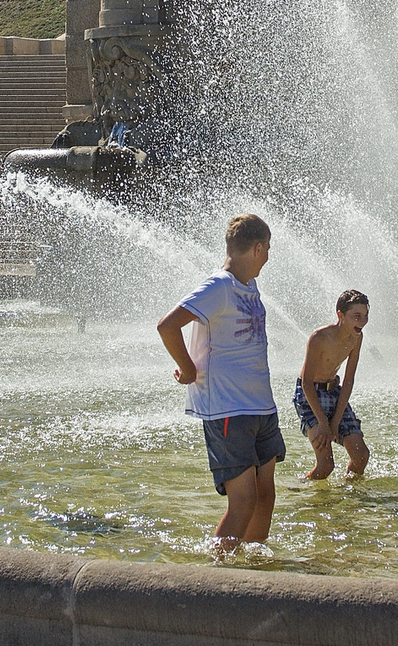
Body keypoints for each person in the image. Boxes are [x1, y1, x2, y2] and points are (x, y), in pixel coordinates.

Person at [157, 214, 283, 552]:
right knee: (243, 501)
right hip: (228, 409)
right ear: (257, 248)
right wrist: (186, 368)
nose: (268, 257)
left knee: (264, 495)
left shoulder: (249, 285)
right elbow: (168, 326)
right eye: (267, 249)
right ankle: (218, 577)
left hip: (261, 406)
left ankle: (253, 566)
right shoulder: (219, 286)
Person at [293, 290, 371, 480]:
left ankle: (348, 495)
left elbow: (349, 380)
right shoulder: (319, 338)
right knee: (326, 465)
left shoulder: (356, 338)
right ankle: (303, 488)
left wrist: (335, 421)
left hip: (334, 392)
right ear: (340, 315)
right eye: (357, 316)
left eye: (365, 316)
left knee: (361, 456)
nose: (362, 321)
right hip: (310, 394)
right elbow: (306, 383)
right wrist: (323, 423)